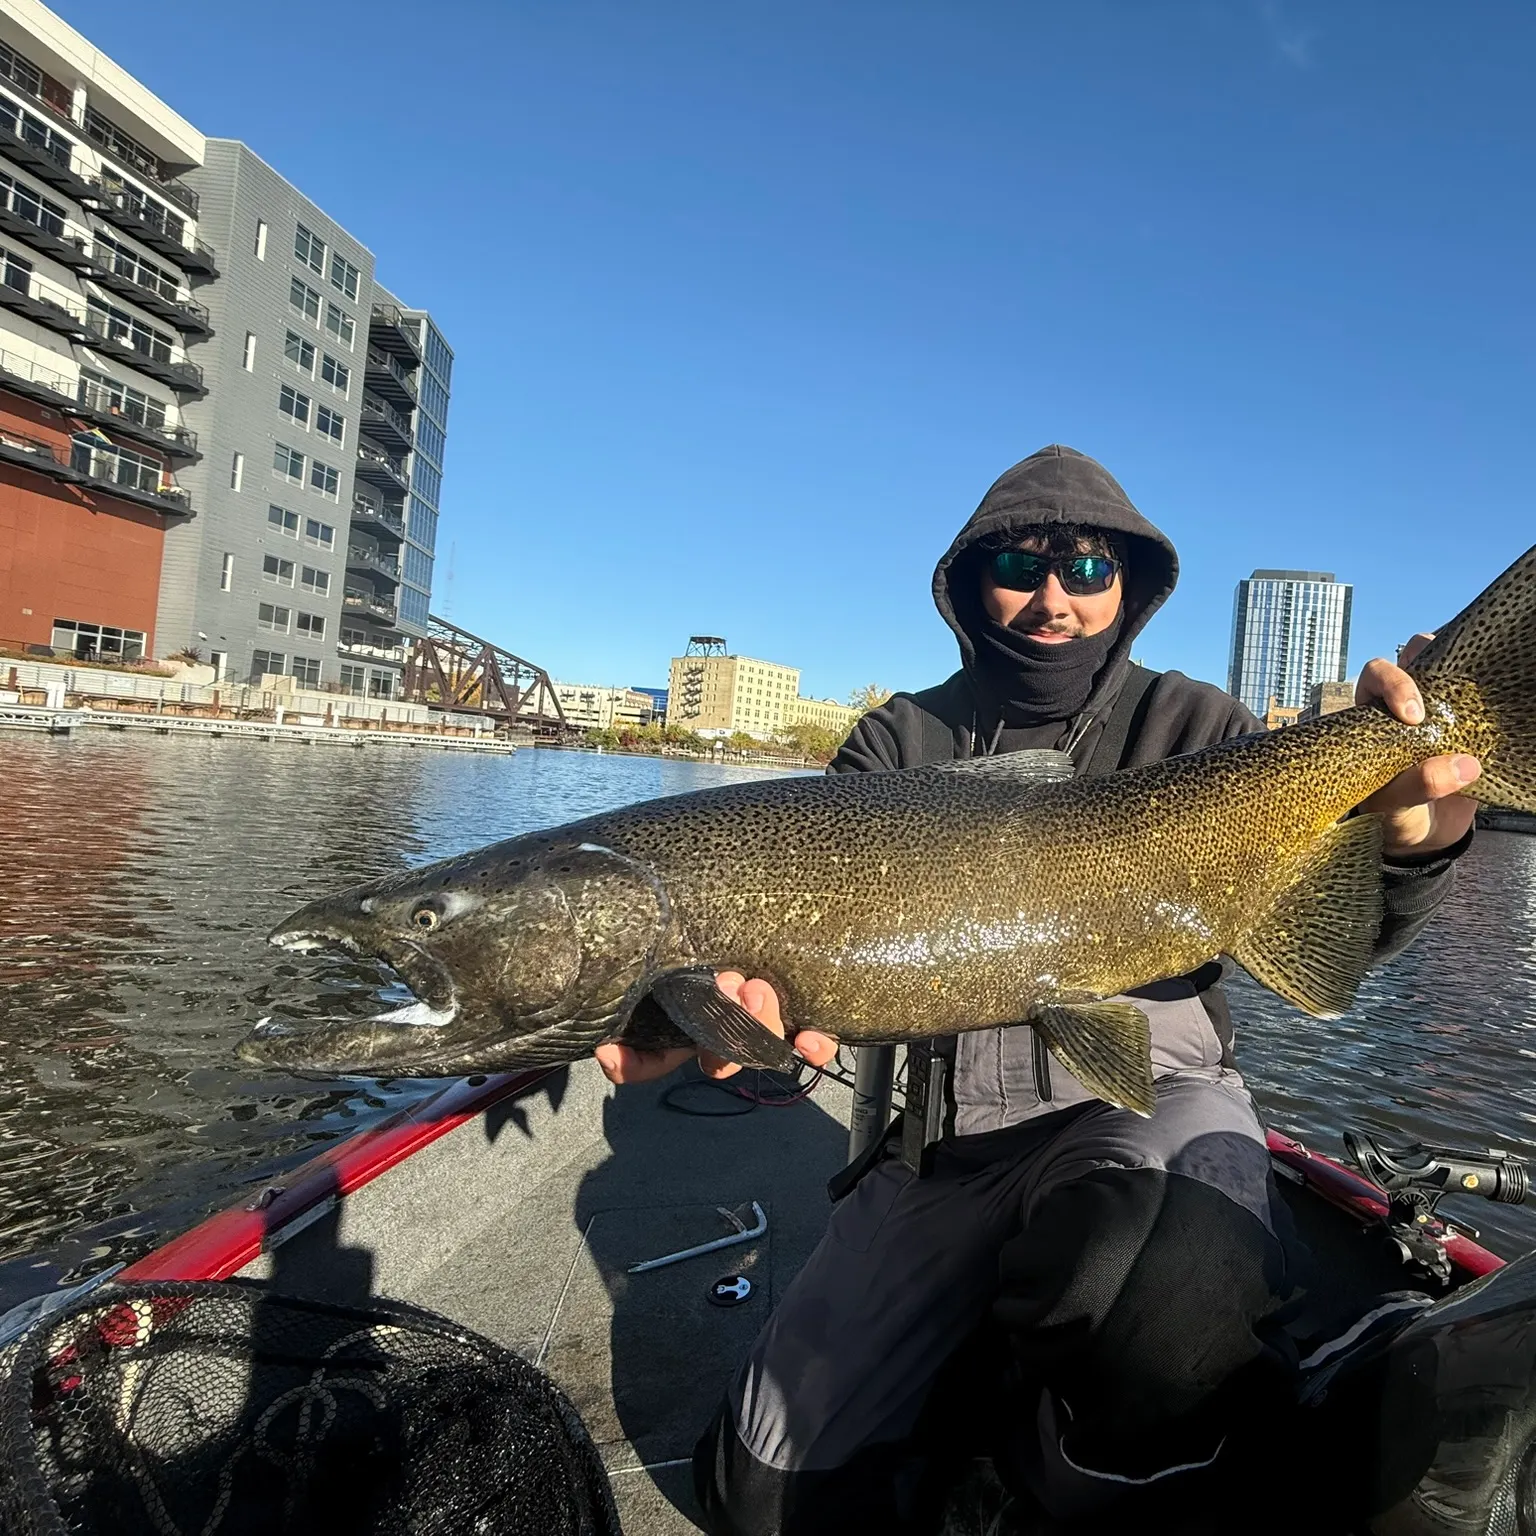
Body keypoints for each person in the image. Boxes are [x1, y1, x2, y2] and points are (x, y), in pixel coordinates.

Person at [596, 445, 1478, 1534]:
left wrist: (1416, 839)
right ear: (968, 583)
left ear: (1132, 585)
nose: (1053, 598)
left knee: (1171, 1286)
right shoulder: (895, 741)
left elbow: (1341, 934)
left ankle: (1059, 1457)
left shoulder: (1201, 728)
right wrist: (736, 1011)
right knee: (766, 1502)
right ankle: (1008, 1367)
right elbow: (793, 942)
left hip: (1145, 1095)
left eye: (1089, 572)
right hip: (940, 1141)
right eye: (1017, 564)